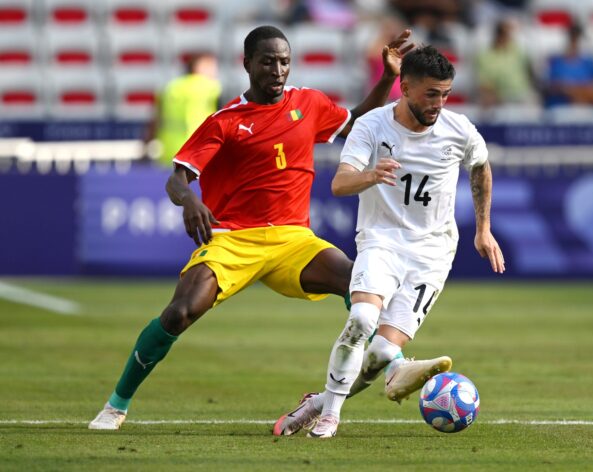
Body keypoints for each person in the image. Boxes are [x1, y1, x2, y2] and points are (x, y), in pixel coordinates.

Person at [88, 25, 416, 431]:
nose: (277, 70)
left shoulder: (308, 103)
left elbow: (356, 123)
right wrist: (191, 200)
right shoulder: (226, 121)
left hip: (292, 238)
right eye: (267, 61)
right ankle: (116, 405)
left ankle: (394, 364)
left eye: (284, 61)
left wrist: (387, 77)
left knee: (358, 279)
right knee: (180, 312)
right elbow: (177, 178)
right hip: (233, 240)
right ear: (247, 64)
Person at [274, 45, 505, 439]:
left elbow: (481, 167)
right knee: (362, 319)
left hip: (433, 252)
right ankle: (330, 415)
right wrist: (370, 175)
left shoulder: (459, 129)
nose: (439, 104)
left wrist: (483, 228)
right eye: (431, 94)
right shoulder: (372, 126)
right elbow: (339, 182)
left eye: (446, 94)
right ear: (406, 86)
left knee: (381, 352)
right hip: (381, 239)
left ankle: (316, 403)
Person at [146, 53, 221, 167]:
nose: (214, 72)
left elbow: (156, 121)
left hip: (170, 152)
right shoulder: (212, 88)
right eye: (211, 68)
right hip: (199, 153)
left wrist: (146, 144)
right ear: (198, 68)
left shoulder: (169, 88)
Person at [475, 18, 536, 109]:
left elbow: (530, 72)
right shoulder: (485, 56)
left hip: (521, 95)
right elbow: (483, 82)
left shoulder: (518, 50)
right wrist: (494, 95)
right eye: (505, 34)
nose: (509, 37)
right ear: (499, 35)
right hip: (498, 98)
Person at [543, 22, 593, 108]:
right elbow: (553, 86)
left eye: (577, 37)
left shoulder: (589, 62)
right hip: (562, 107)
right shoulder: (556, 62)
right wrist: (572, 91)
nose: (574, 41)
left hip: (586, 107)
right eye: (572, 37)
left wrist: (579, 92)